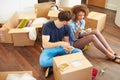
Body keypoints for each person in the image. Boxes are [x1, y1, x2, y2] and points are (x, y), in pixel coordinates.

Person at [39, 11, 82, 78]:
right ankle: (63, 62)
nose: (71, 22)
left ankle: (55, 65)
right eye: (70, 21)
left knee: (79, 52)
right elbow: (45, 44)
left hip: (61, 47)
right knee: (43, 62)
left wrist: (68, 47)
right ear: (65, 21)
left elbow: (66, 41)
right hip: (50, 48)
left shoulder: (67, 27)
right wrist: (60, 43)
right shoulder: (48, 25)